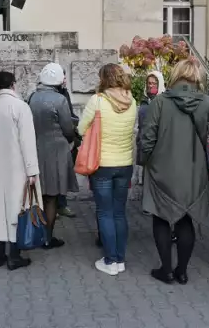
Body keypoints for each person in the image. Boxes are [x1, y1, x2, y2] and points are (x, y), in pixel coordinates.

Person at [139, 59, 209, 284]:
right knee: (186, 219)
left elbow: (147, 137)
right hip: (195, 170)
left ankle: (166, 270)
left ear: (176, 75)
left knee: (160, 216)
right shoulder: (207, 102)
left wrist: (144, 161)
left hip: (162, 167)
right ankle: (182, 271)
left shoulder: (159, 102)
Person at [78, 63, 137, 276]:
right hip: (125, 163)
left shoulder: (98, 100)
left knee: (105, 212)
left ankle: (110, 260)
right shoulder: (132, 101)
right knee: (120, 213)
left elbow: (81, 127)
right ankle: (120, 259)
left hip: (102, 164)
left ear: (104, 78)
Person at [0, 71, 40, 270]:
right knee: (18, 208)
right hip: (18, 166)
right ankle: (14, 256)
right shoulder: (20, 107)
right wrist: (32, 170)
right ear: (13, 85)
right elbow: (28, 141)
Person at [28, 63, 79, 249]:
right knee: (52, 197)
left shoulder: (32, 97)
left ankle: (35, 233)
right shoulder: (60, 100)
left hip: (36, 149)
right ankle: (48, 238)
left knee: (39, 195)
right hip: (57, 151)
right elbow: (68, 128)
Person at [134, 70, 166, 186]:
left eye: (154, 83)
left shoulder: (164, 101)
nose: (150, 86)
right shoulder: (144, 101)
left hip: (158, 145)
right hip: (144, 143)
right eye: (149, 83)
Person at [57, 68, 80, 219]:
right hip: (57, 140)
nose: (65, 80)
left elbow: (70, 113)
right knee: (54, 176)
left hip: (68, 139)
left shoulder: (65, 93)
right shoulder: (50, 96)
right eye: (62, 77)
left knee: (64, 174)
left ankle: (62, 204)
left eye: (65, 77)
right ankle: (52, 206)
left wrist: (75, 121)